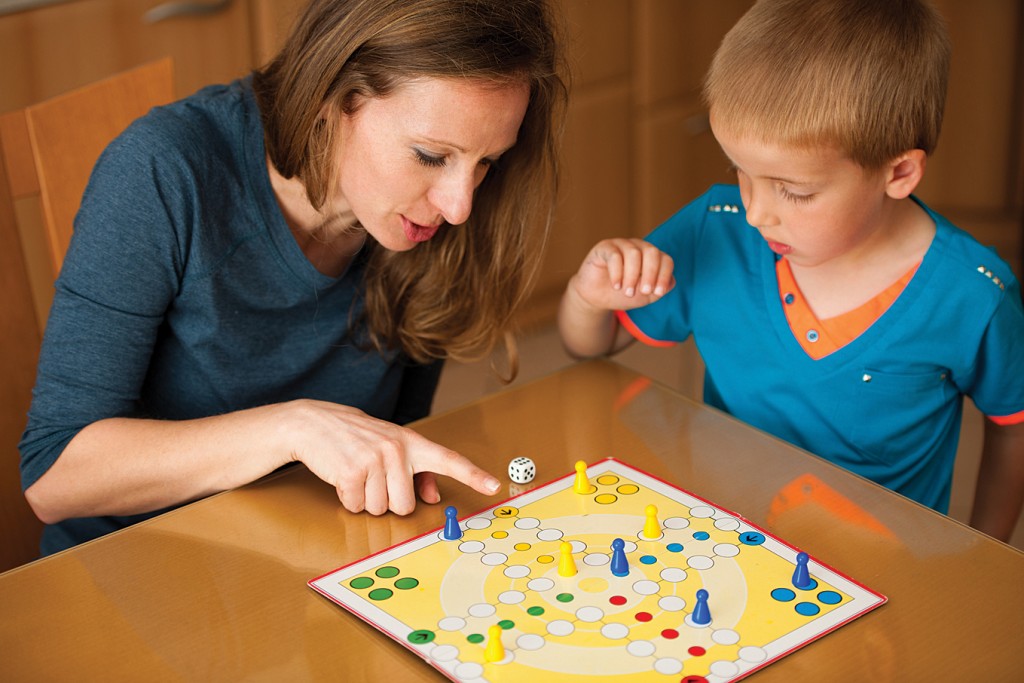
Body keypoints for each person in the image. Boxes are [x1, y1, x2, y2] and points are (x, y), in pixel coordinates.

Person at [20, 0, 568, 555]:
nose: (458, 207)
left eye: (486, 163)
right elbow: (54, 477)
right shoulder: (164, 168)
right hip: (131, 565)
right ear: (334, 96)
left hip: (303, 551)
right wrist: (292, 430)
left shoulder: (431, 220)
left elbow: (396, 432)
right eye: (430, 156)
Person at [559, 0, 1024, 542]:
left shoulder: (973, 294)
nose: (757, 212)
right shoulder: (719, 226)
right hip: (723, 545)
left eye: (794, 191)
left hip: (888, 579)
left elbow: (1013, 425)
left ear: (899, 172)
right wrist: (589, 298)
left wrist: (986, 550)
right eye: (741, 173)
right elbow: (591, 347)